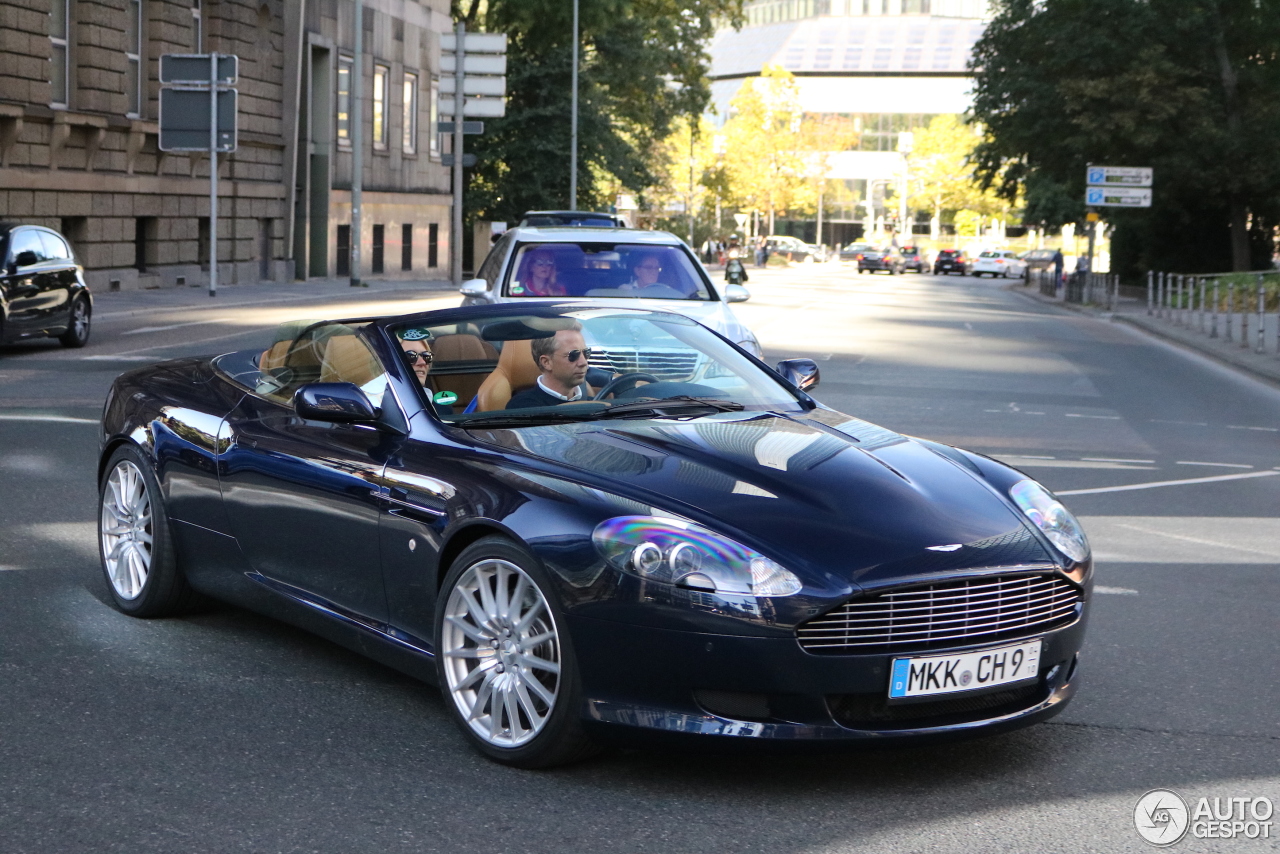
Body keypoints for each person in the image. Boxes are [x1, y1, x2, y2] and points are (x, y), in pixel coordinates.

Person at [506, 326, 594, 409]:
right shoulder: (524, 407)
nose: (584, 362)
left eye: (586, 352)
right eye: (573, 355)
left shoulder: (591, 402)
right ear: (546, 362)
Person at [398, 328, 454, 414]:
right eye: (411, 356)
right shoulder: (375, 405)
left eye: (426, 356)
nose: (422, 362)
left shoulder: (442, 409)